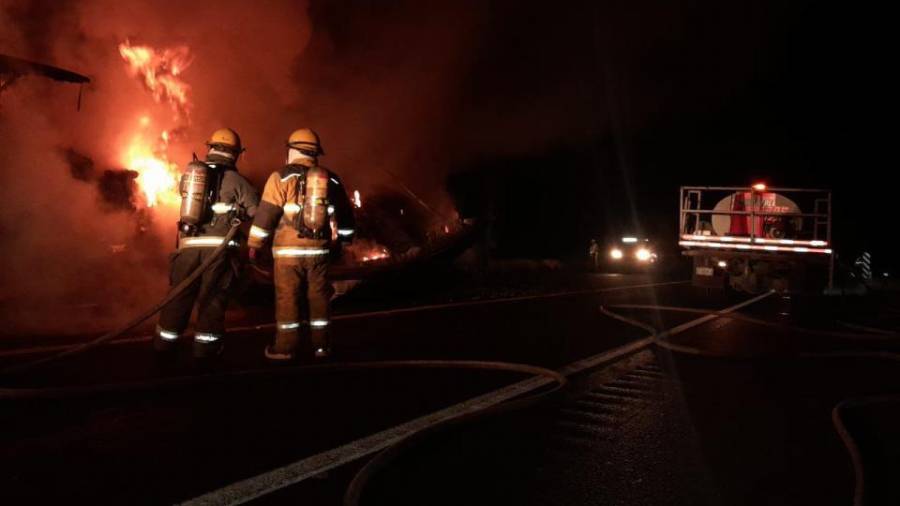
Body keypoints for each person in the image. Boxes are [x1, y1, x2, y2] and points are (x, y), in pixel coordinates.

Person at [248, 128, 355, 360]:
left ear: (292, 150)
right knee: (319, 298)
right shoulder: (331, 178)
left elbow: (266, 215)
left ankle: (286, 348)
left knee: (288, 298)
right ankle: (322, 347)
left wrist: (255, 244)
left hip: (287, 254)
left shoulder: (280, 177)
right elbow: (346, 217)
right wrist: (345, 241)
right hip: (319, 251)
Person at [154, 128, 259, 358]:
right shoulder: (238, 181)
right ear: (235, 153)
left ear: (210, 147)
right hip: (218, 254)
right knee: (212, 298)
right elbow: (256, 212)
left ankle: (164, 346)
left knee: (178, 296)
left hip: (188, 249)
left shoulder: (191, 175)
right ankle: (205, 351)